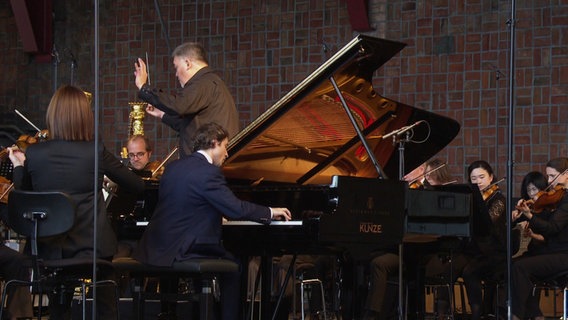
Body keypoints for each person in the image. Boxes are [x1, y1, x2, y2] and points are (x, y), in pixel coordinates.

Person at [8, 85, 145, 319]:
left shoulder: (35, 154)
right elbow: (137, 186)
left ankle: (59, 312)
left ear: (53, 115)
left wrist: (19, 167)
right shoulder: (96, 151)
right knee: (105, 297)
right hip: (94, 251)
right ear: (85, 117)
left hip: (52, 251)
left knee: (59, 300)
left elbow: (23, 197)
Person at [133, 122, 291, 320]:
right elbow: (235, 208)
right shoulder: (208, 172)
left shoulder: (173, 168)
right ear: (214, 143)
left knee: (210, 259)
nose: (226, 153)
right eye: (225, 146)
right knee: (234, 266)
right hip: (185, 249)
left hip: (156, 247)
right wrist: (269, 211)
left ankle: (204, 313)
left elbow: (187, 206)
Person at [362, 159, 454, 320]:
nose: (404, 175)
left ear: (421, 169)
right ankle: (373, 314)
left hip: (424, 253)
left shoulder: (431, 192)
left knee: (380, 263)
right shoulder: (397, 191)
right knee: (372, 261)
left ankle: (382, 314)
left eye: (408, 170)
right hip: (401, 248)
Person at [426, 160, 507, 320]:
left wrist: (474, 209)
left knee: (470, 272)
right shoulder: (471, 199)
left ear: (491, 177)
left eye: (482, 177)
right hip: (472, 249)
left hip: (492, 251)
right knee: (448, 271)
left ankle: (477, 314)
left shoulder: (499, 200)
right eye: (474, 179)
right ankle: (441, 314)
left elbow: (487, 223)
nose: (478, 182)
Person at [133, 42, 240, 158]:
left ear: (187, 63)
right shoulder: (210, 82)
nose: (176, 74)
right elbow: (191, 126)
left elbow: (179, 105)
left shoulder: (204, 82)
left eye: (176, 67)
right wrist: (162, 114)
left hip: (204, 168)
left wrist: (143, 87)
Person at [510, 157, 568, 320]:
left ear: (566, 174)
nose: (549, 181)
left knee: (521, 267)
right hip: (554, 251)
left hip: (564, 254)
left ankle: (517, 316)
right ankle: (536, 315)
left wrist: (529, 214)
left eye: (552, 176)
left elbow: (552, 228)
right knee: (513, 265)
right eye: (548, 176)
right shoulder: (560, 197)